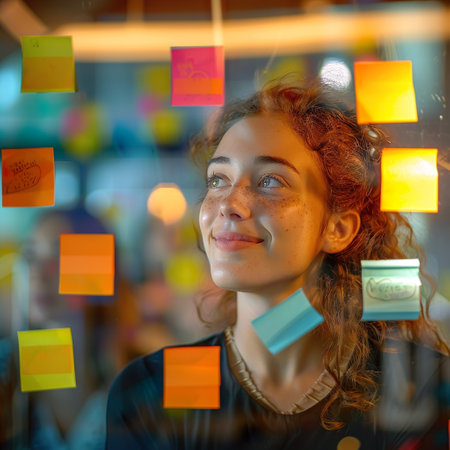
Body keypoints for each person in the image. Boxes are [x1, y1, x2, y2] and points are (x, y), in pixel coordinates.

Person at [106, 78, 449, 449]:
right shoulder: (150, 391)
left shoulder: (422, 388)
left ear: (337, 228)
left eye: (270, 181)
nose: (229, 204)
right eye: (218, 179)